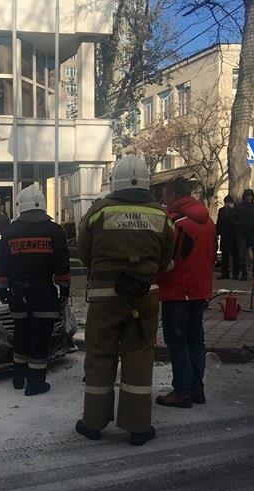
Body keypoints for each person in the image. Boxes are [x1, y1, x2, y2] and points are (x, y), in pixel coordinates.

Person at [76, 155, 175, 446]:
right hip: (144, 297)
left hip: (105, 297)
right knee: (140, 358)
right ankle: (138, 427)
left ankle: (93, 423)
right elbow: (166, 259)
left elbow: (85, 253)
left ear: (114, 181)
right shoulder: (162, 215)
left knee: (99, 356)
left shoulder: (98, 211)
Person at [0, 184, 70, 396]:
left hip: (17, 294)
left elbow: (3, 266)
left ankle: (19, 378)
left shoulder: (10, 231)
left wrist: (2, 291)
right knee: (40, 337)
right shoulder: (55, 231)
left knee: (21, 333)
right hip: (44, 293)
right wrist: (64, 291)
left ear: (21, 206)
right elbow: (62, 267)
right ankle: (36, 383)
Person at [155, 177, 217, 409]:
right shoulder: (207, 221)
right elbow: (212, 255)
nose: (163, 200)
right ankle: (196, 388)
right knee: (195, 339)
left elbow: (168, 260)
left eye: (165, 195)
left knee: (177, 341)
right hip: (199, 289)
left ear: (172, 196)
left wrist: (157, 279)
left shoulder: (176, 223)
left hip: (177, 291)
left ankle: (182, 391)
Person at [233, 188, 254, 281]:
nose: (249, 198)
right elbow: (233, 219)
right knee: (242, 254)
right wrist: (240, 224)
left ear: (253, 197)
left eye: (250, 196)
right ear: (244, 197)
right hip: (242, 233)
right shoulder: (239, 206)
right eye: (247, 196)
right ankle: (244, 274)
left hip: (253, 232)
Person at [215, 194, 239, 279]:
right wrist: (216, 233)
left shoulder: (236, 210)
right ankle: (225, 273)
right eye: (226, 203)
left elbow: (238, 222)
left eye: (228, 203)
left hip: (234, 236)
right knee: (224, 256)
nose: (227, 205)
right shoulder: (221, 211)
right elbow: (219, 223)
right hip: (224, 235)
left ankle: (235, 273)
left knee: (235, 255)